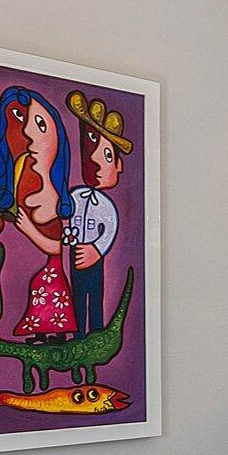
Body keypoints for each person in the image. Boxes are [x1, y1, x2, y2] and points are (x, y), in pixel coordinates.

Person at [0, 86, 76, 339]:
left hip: (53, 265)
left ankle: (56, 333)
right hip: (26, 262)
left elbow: (57, 247)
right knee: (38, 288)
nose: (28, 133)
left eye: (40, 124)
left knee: (47, 289)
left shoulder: (57, 195)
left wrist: (29, 230)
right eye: (23, 121)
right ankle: (43, 334)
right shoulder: (22, 171)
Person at [64, 91, 132, 334]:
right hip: (75, 253)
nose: (96, 161)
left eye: (107, 155)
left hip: (94, 257)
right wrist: (68, 236)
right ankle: (77, 334)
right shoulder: (74, 196)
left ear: (118, 165)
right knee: (76, 294)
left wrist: (96, 250)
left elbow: (109, 230)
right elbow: (65, 220)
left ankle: (95, 332)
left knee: (94, 294)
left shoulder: (106, 206)